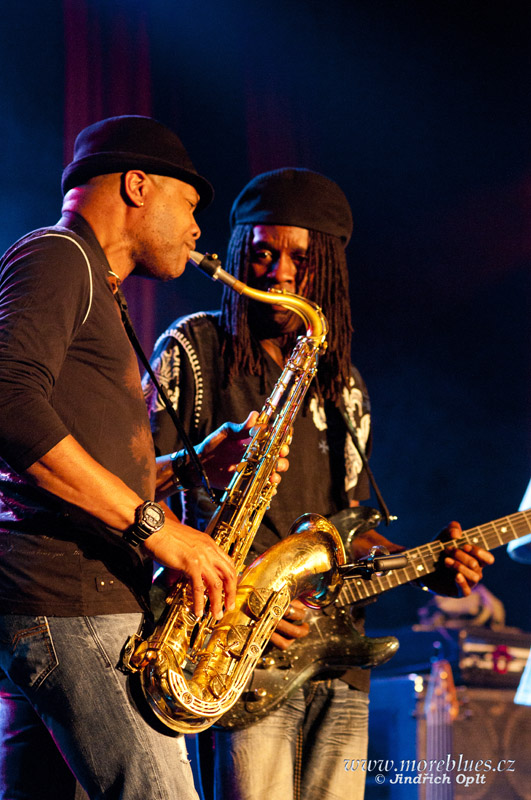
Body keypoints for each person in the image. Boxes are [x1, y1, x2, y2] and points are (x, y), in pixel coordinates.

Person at [146, 168, 494, 800]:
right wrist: (243, 594)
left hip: (337, 659)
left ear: (328, 270)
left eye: (300, 260)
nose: (279, 273)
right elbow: (138, 489)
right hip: (234, 650)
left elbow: (347, 528)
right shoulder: (192, 348)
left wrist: (425, 567)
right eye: (263, 254)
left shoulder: (345, 385)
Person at [0, 115, 289, 800]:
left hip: (60, 602)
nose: (196, 229)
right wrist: (160, 530)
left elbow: (72, 471)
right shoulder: (58, 256)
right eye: (189, 204)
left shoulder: (92, 283)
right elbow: (8, 402)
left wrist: (191, 464)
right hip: (70, 602)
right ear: (137, 186)